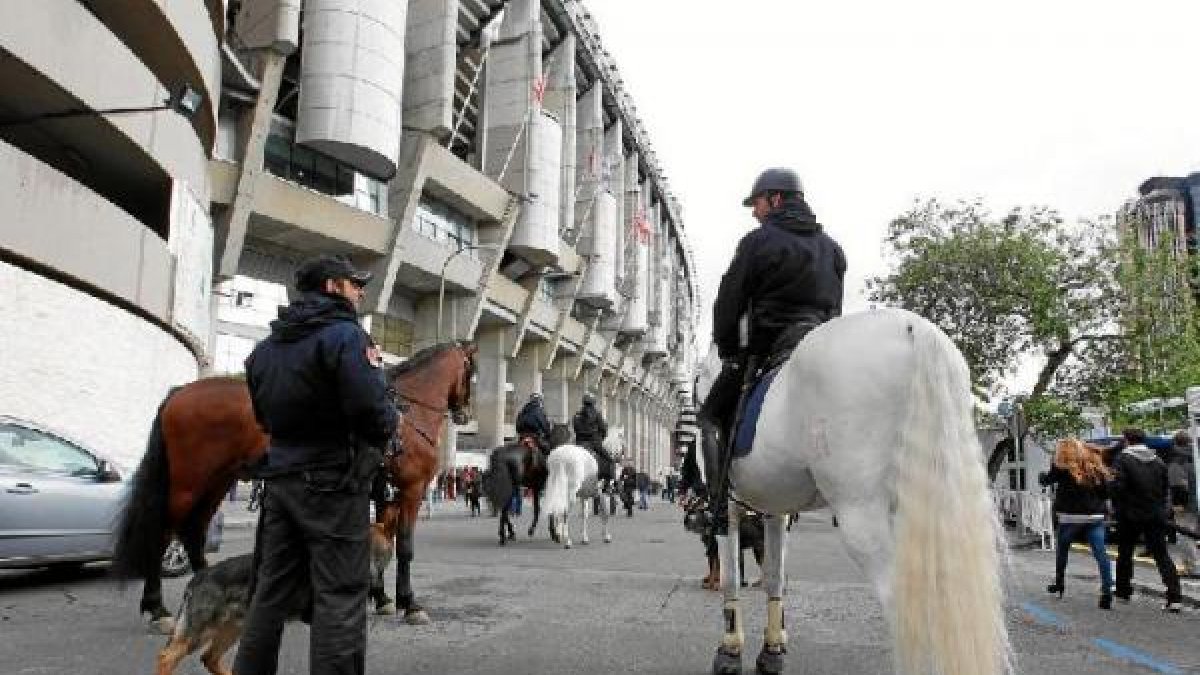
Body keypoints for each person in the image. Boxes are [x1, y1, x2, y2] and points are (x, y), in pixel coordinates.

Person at [234, 254, 399, 675]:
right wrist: (388, 423)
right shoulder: (346, 337)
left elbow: (263, 418)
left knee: (268, 591)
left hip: (281, 481)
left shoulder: (264, 351)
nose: (360, 291)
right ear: (332, 287)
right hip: (333, 481)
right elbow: (371, 408)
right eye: (354, 283)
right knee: (340, 593)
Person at [701, 167, 846, 535]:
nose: (755, 211)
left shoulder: (758, 242)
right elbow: (835, 309)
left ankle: (716, 508)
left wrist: (731, 350)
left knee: (710, 418)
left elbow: (729, 302)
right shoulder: (833, 248)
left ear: (776, 199)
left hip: (771, 345)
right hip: (821, 342)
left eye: (758, 203)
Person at [1110, 427, 1183, 612]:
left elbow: (1118, 487)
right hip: (1155, 514)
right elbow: (1165, 488)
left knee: (1125, 553)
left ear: (1127, 440)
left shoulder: (1122, 459)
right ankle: (1174, 597)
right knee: (1161, 554)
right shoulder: (1158, 461)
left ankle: (1123, 591)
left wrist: (1115, 500)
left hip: (1130, 514)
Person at [1038, 439, 1114, 609]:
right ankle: (1107, 591)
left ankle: (1059, 584)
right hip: (1094, 517)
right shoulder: (1094, 466)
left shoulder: (1061, 467)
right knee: (1101, 553)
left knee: (1062, 551)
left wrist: (1043, 477)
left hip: (1069, 518)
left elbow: (1046, 481)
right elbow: (1105, 493)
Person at [572, 392, 614, 479]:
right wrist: (601, 437)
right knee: (609, 459)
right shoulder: (597, 414)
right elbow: (603, 428)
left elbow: (575, 428)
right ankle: (610, 481)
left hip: (579, 442)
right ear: (593, 402)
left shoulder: (577, 414)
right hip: (594, 442)